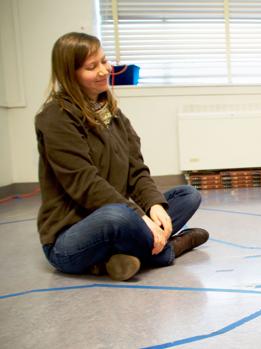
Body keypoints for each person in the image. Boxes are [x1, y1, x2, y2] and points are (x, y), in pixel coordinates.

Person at [35, 32, 209, 281]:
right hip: (69, 238)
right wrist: (139, 217)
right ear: (69, 74)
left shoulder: (113, 113)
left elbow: (137, 170)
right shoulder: (55, 116)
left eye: (104, 61)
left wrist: (153, 206)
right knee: (117, 215)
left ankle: (112, 259)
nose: (104, 71)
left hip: (120, 220)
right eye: (91, 67)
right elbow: (85, 183)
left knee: (187, 195)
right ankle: (170, 249)